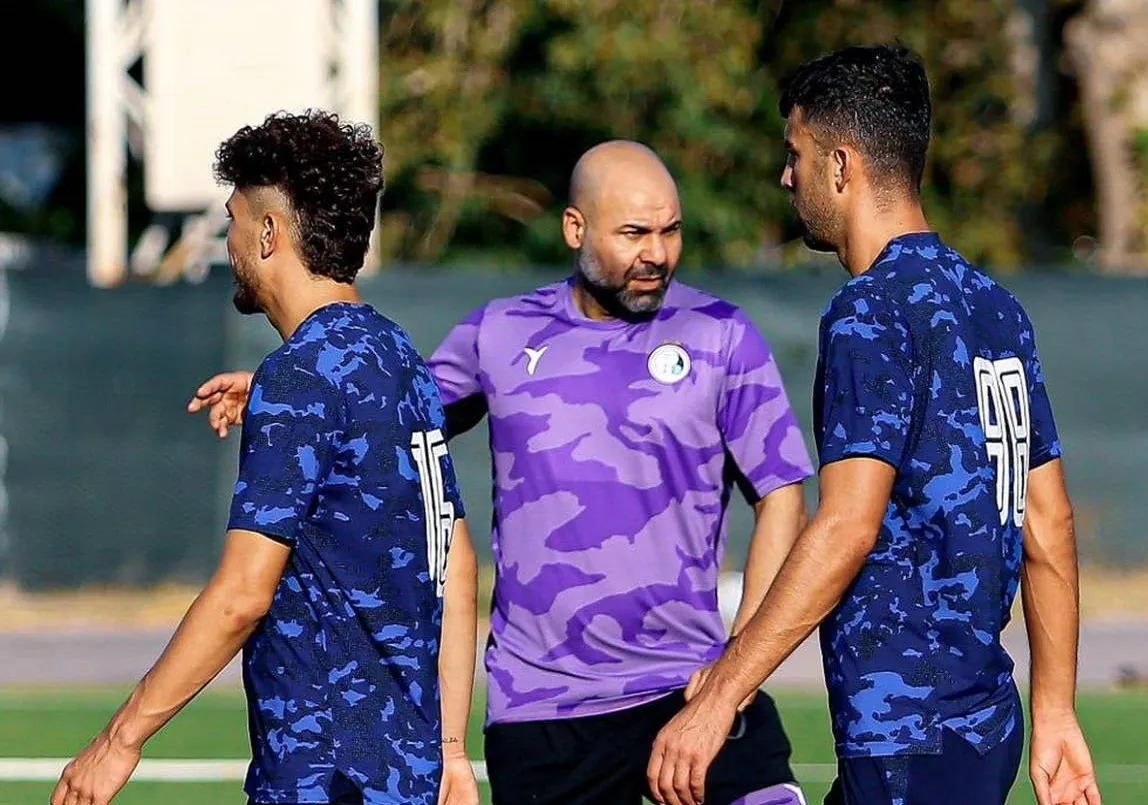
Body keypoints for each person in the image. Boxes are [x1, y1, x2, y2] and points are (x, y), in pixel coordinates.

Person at [187, 140, 814, 805]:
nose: (656, 253)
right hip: (542, 711)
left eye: (670, 231)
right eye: (634, 233)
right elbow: (387, 412)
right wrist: (286, 392)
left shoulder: (721, 334)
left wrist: (736, 667)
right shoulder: (502, 332)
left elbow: (782, 495)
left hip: (690, 686)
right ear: (575, 228)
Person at [647, 45, 1102, 805]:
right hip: (983, 725)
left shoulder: (870, 312)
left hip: (905, 735)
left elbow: (846, 526)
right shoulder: (994, 306)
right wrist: (1054, 711)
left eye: (795, 154)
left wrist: (722, 692)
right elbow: (1048, 521)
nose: (785, 176)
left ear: (840, 166)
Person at [52, 110, 479, 805]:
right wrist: (451, 752)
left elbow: (242, 596)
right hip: (406, 775)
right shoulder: (397, 357)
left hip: (323, 778)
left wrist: (119, 739)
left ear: (270, 232)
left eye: (233, 221)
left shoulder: (302, 377)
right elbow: (454, 561)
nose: (229, 241)